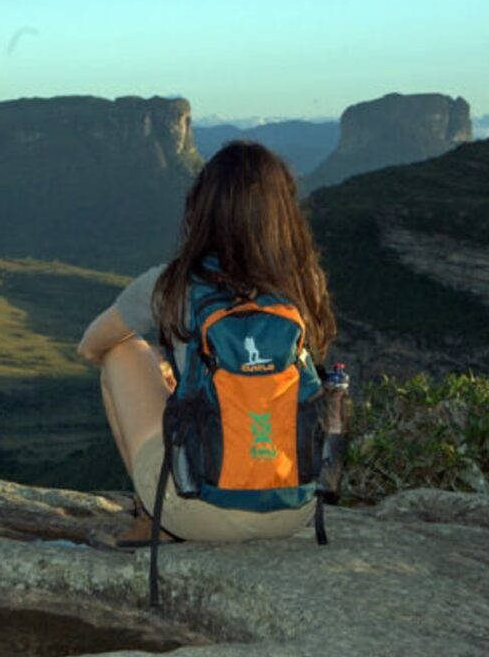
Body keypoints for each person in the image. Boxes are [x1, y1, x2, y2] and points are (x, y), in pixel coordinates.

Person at [78, 140, 339, 543]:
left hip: (199, 509)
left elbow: (91, 345)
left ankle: (154, 519)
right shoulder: (303, 284)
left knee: (121, 351)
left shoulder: (172, 284)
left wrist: (167, 373)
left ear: (202, 208)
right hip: (296, 509)